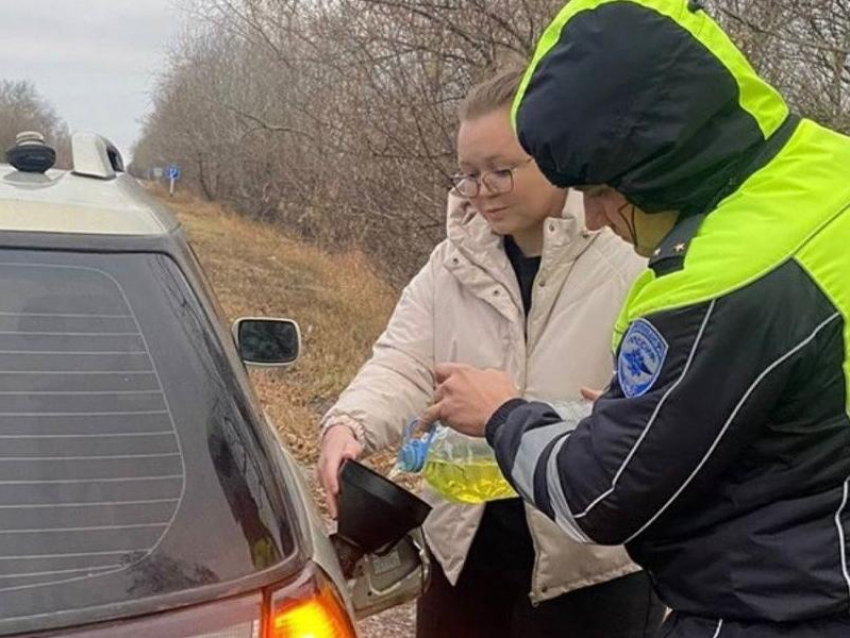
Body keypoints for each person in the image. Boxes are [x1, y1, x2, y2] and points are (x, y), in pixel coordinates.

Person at [422, 1, 850, 637]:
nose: (594, 217)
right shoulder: (824, 173)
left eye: (601, 191)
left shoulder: (719, 277)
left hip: (768, 609)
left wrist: (502, 415)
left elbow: (599, 495)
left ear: (659, 164)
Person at [318, 67, 664, 637]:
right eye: (469, 175)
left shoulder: (631, 258)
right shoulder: (451, 263)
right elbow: (404, 362)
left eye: (502, 171)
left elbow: (670, 397)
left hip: (595, 565)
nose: (482, 191)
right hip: (465, 557)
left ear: (557, 151)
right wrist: (349, 425)